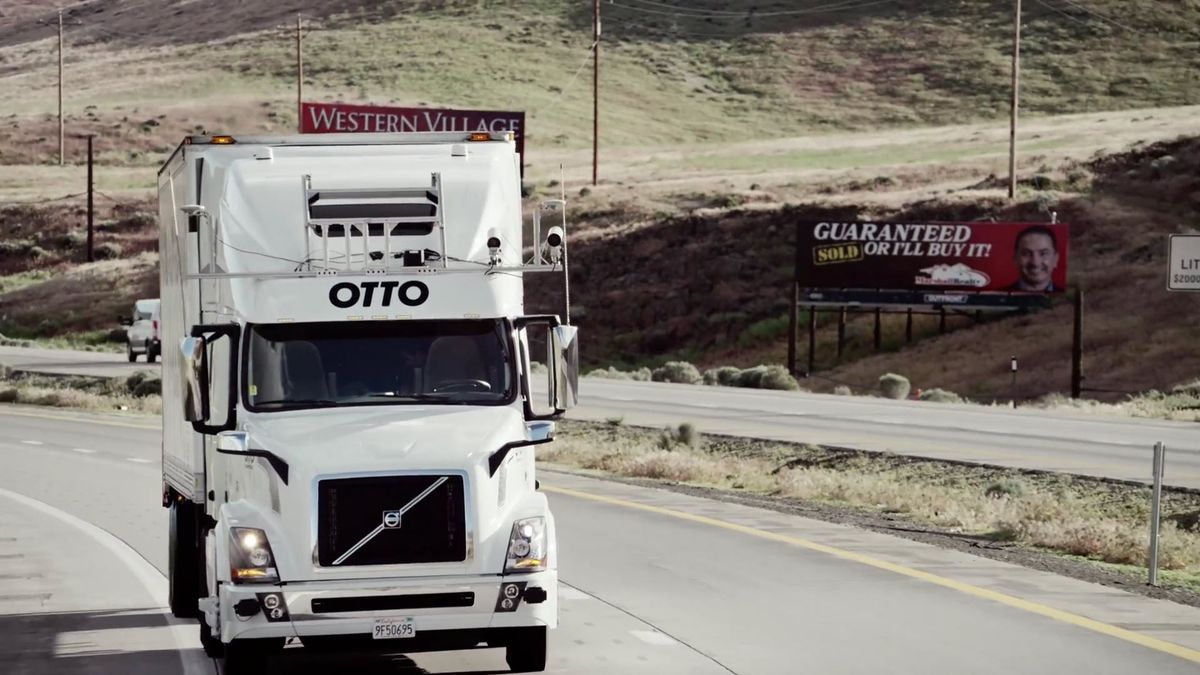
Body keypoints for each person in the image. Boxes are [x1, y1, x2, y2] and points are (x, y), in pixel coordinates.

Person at [1007, 225, 1060, 292]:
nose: (1035, 263)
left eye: (1043, 253)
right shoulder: (996, 297)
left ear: (1056, 259)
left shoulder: (1068, 299)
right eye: (1026, 254)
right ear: (1015, 259)